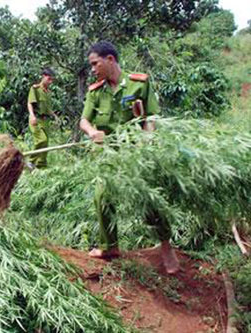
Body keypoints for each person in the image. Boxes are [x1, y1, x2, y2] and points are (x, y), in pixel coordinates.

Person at [79, 41, 180, 274]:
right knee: (102, 195)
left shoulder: (139, 83)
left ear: (110, 59)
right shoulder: (96, 91)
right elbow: (84, 120)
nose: (93, 69)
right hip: (109, 153)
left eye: (95, 64)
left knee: (149, 198)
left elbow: (152, 116)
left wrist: (148, 139)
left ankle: (166, 247)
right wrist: (93, 132)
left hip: (136, 153)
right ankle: (109, 247)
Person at [27, 68, 59, 169]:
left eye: (52, 80)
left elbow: (48, 108)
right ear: (43, 76)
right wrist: (32, 115)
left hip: (46, 120)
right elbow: (30, 103)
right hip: (36, 119)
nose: (50, 82)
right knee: (42, 140)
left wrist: (55, 116)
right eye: (49, 79)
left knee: (46, 144)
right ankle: (31, 162)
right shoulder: (35, 89)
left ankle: (41, 166)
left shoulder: (48, 92)